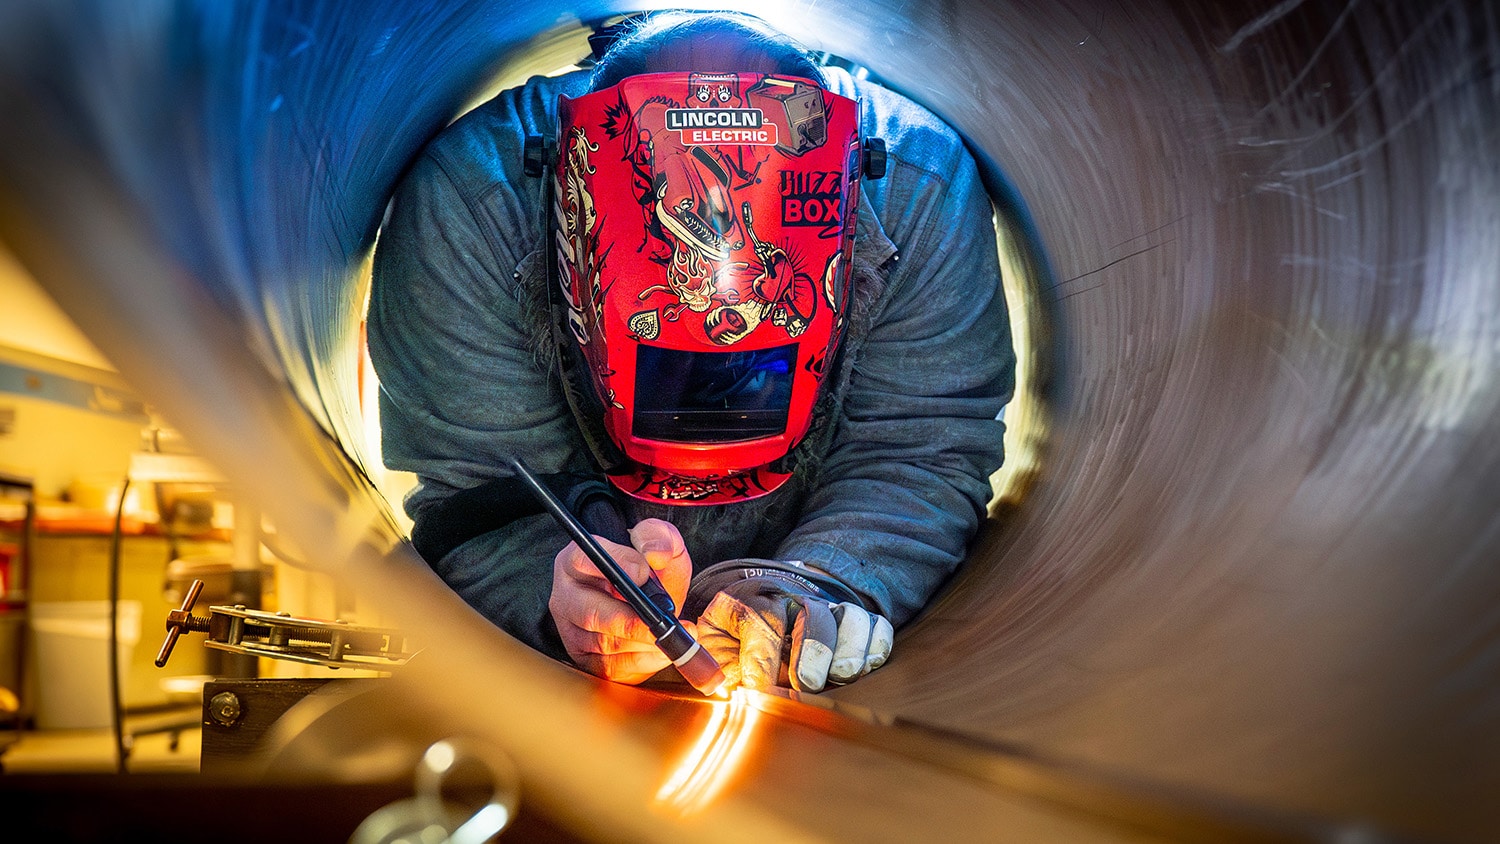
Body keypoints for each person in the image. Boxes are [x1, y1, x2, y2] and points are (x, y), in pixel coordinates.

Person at [367, 11, 1014, 693]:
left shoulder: (919, 184)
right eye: (672, 372)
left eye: (749, 368)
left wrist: (826, 583)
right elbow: (477, 487)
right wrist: (557, 595)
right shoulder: (472, 201)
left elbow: (918, 448)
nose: (714, 405)